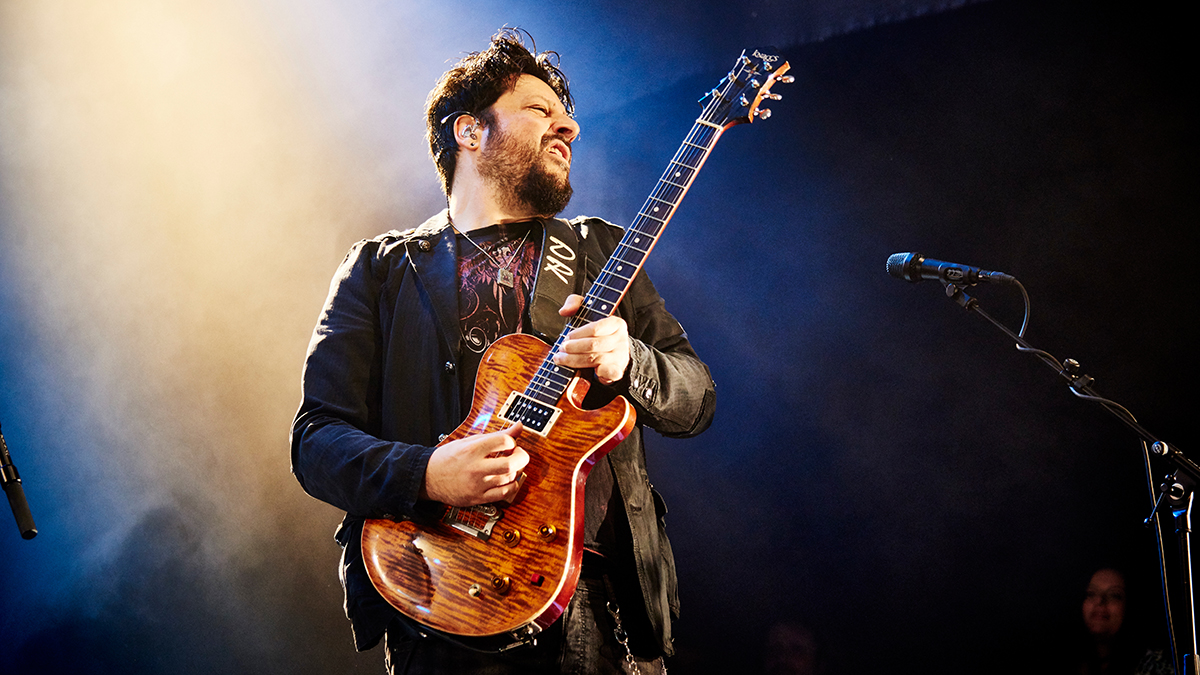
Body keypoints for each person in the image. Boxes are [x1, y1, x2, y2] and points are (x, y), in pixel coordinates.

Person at [290, 28, 716, 674]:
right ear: (469, 132)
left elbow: (697, 395)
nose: (568, 127)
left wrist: (632, 360)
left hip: (600, 614)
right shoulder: (380, 271)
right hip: (442, 607)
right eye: (540, 111)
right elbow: (317, 440)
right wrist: (428, 472)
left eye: (568, 116)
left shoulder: (601, 250)